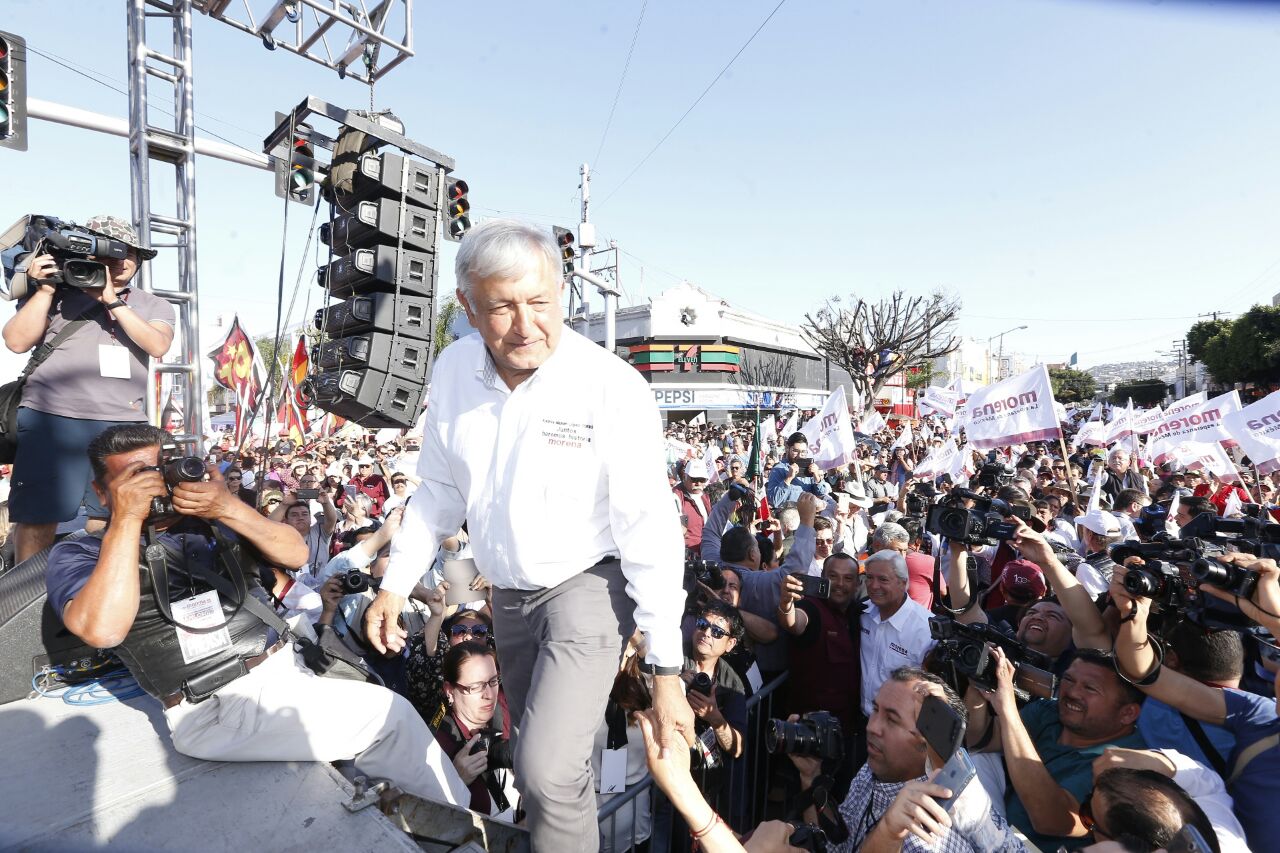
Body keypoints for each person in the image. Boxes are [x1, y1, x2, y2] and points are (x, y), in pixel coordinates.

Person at [365, 219, 691, 853]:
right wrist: (396, 584)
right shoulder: (453, 369)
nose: (525, 326)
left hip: (589, 588)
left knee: (546, 770)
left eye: (539, 303)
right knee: (536, 762)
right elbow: (437, 492)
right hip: (508, 599)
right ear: (466, 306)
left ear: (562, 293)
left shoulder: (612, 387)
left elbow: (650, 527)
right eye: (502, 307)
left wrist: (667, 671)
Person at [44, 424, 466, 806]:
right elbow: (102, 629)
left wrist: (226, 505)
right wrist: (127, 519)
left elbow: (295, 552)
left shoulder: (208, 523)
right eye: (135, 477)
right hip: (218, 704)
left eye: (160, 469)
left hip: (288, 670)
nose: (154, 485)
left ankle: (437, 823)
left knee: (390, 725)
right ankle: (473, 830)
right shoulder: (82, 552)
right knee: (389, 719)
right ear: (102, 493)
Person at [3, 215, 176, 564]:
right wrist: (47, 289)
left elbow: (157, 345)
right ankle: (29, 607)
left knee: (114, 514)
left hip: (123, 422)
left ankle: (96, 593)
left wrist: (112, 300)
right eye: (112, 253)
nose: (122, 261)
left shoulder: (152, 304)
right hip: (51, 416)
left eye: (130, 254)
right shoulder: (56, 291)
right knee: (38, 516)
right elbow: (16, 341)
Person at [790, 667, 1026, 853]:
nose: (872, 727)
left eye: (892, 720)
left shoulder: (930, 834)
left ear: (928, 741)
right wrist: (810, 778)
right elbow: (834, 845)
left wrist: (889, 834)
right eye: (875, 710)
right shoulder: (872, 771)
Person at [967, 648, 1149, 852]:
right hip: (997, 823)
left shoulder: (1127, 765)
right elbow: (978, 739)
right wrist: (980, 684)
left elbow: (1051, 820)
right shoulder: (1051, 710)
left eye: (1090, 689)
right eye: (1069, 680)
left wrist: (1007, 709)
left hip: (1030, 848)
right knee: (971, 757)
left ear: (1128, 713)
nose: (1072, 693)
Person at [778, 552, 864, 791]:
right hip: (810, 736)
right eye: (833, 576)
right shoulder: (811, 607)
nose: (840, 584)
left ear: (857, 584)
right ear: (822, 578)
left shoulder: (860, 614)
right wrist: (786, 604)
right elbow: (795, 622)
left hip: (847, 732)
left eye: (848, 578)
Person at [434, 641, 520, 821]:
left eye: (493, 681)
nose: (489, 694)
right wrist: (455, 781)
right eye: (475, 687)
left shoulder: (507, 709)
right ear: (450, 691)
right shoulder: (439, 746)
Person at [860, 550, 935, 717]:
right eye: (869, 577)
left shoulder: (927, 629)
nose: (873, 585)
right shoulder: (862, 613)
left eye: (883, 579)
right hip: (860, 721)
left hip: (898, 730)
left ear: (903, 582)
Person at [766, 432, 831, 507]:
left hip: (806, 514)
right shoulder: (778, 469)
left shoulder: (809, 468)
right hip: (787, 515)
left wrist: (816, 476)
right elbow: (773, 501)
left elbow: (821, 493)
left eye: (803, 452)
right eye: (795, 451)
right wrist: (788, 478)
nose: (800, 455)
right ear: (787, 448)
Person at [676, 459, 713, 556]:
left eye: (702, 480)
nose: (698, 483)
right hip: (687, 556)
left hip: (707, 552)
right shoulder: (676, 496)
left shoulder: (706, 496)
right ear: (685, 476)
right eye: (694, 479)